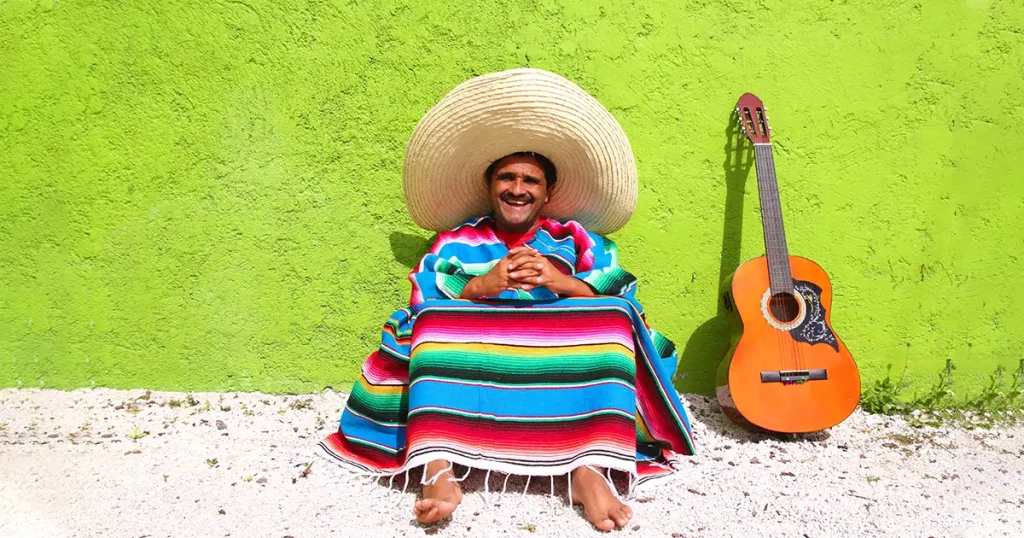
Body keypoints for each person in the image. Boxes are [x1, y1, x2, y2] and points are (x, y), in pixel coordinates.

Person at [320, 69, 695, 531]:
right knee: (431, 323)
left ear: (548, 191)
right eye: (507, 177)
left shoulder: (576, 239)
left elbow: (625, 299)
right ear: (489, 184)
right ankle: (438, 466)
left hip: (559, 358)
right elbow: (423, 299)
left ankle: (588, 468)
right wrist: (484, 285)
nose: (518, 189)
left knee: (616, 318)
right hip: (481, 356)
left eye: (531, 180)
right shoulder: (456, 242)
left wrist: (561, 281)